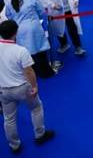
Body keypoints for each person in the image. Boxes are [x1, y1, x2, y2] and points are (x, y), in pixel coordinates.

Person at [0, 20, 55, 154]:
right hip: (22, 88)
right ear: (15, 33)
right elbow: (29, 72)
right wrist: (34, 86)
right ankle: (40, 135)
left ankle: (14, 145)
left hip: (3, 90)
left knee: (9, 119)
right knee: (36, 108)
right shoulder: (21, 50)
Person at [5, 0, 56, 78]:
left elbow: (8, 16)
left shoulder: (9, 2)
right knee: (40, 51)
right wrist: (45, 23)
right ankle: (46, 73)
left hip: (19, 30)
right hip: (34, 28)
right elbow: (42, 13)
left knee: (26, 53)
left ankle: (34, 73)